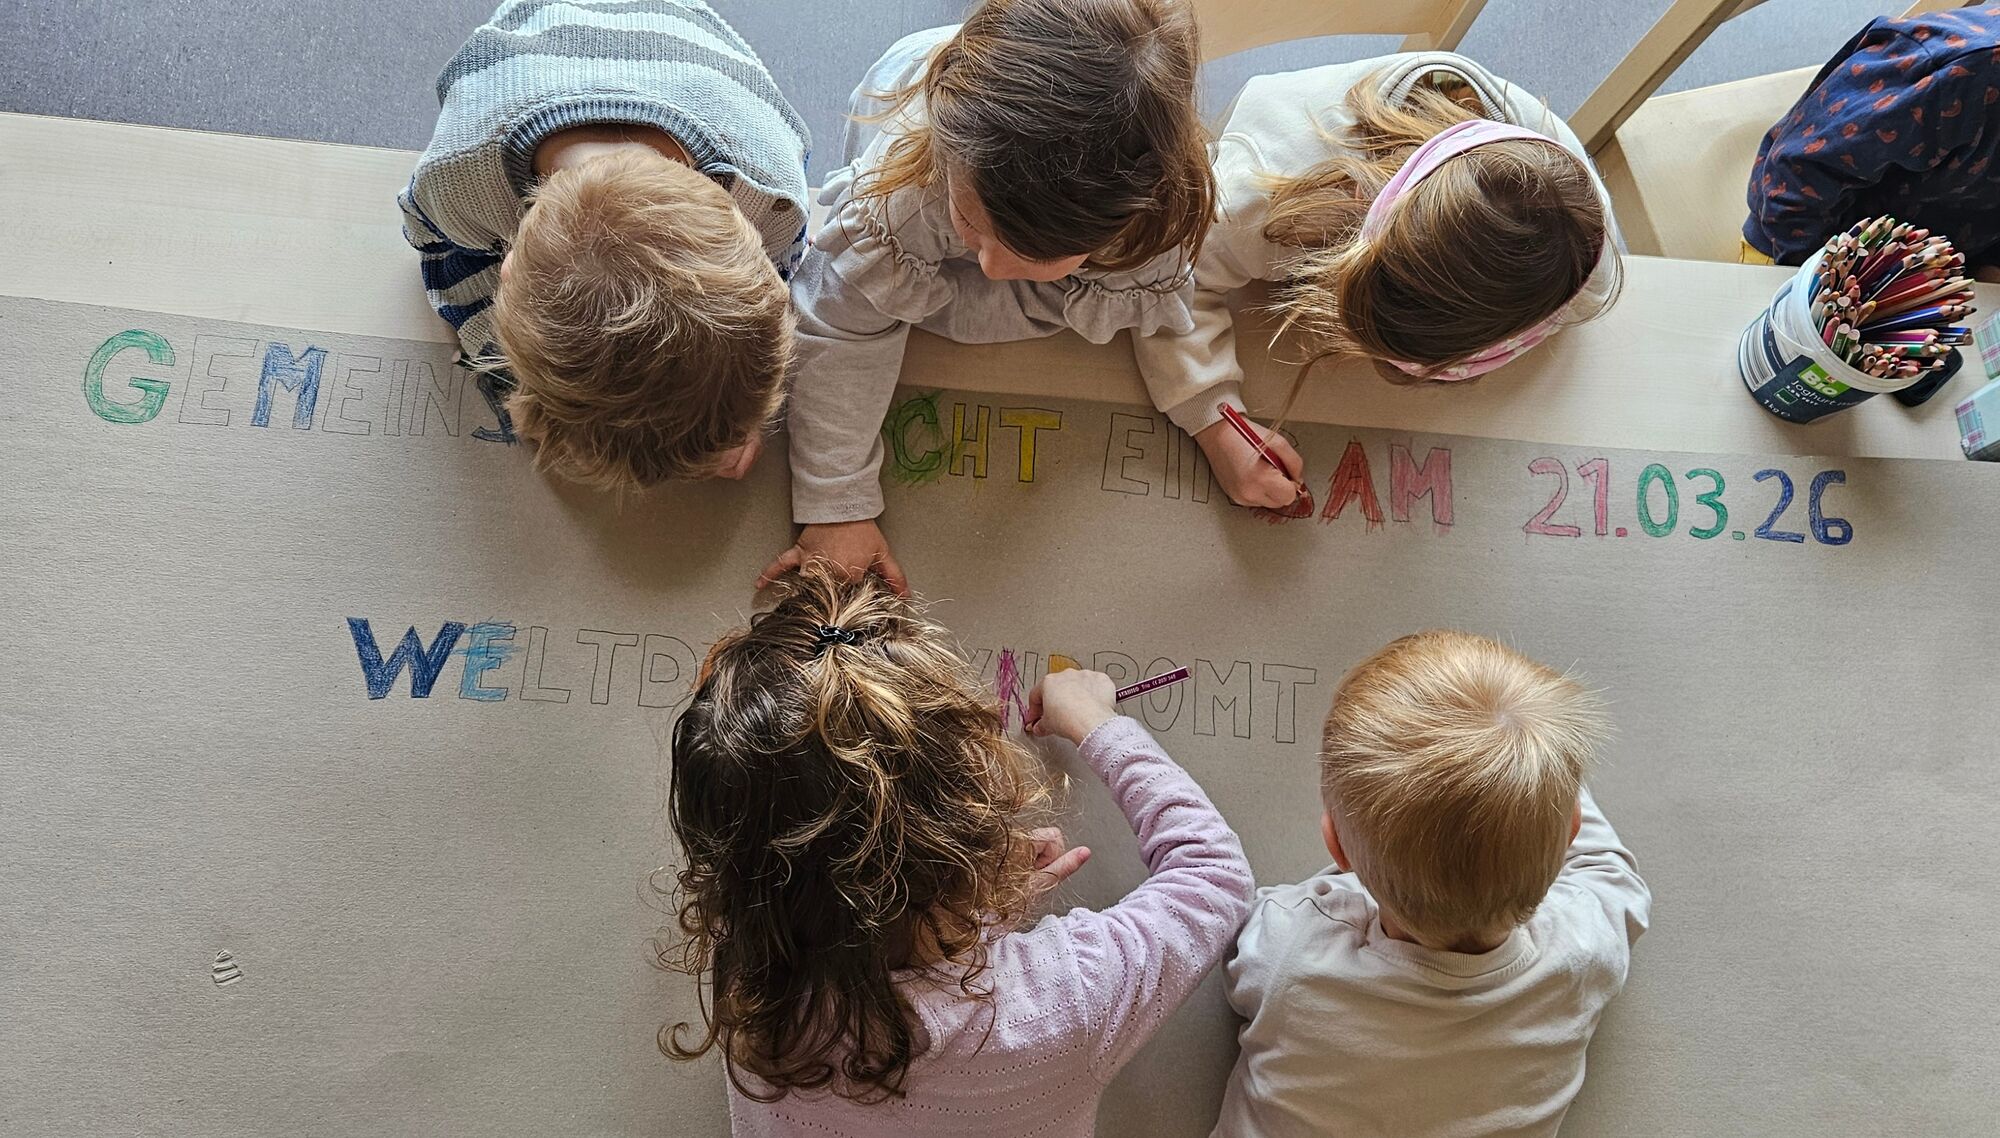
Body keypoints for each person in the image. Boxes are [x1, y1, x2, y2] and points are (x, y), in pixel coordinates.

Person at [664, 563, 1254, 1136]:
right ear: (967, 829)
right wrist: (1100, 724)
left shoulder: (752, 995)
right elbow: (1215, 874)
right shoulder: (1060, 999)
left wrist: (965, 899)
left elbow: (823, 884)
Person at [764, 0, 1232, 595]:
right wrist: (837, 505)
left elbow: (1146, 313)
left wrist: (1212, 414)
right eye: (974, 228)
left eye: (1035, 258)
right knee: (871, 264)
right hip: (917, 117)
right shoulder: (909, 187)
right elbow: (840, 324)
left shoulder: (1155, 221)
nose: (989, 266)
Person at [1213, 630, 1651, 1138]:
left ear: (1336, 848)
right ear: (1570, 828)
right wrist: (1534, 774)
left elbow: (1234, 950)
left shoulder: (1294, 950)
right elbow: (1610, 870)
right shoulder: (1581, 953)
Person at [1138, 53, 1622, 482]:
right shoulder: (1249, 200)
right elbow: (1168, 284)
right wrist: (1215, 422)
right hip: (1245, 187)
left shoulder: (1583, 252)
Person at [398, 0, 809, 487]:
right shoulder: (456, 178)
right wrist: (499, 353)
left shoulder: (775, 200)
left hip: (706, 68)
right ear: (504, 269)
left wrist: (730, 420)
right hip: (534, 38)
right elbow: (430, 238)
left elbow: (772, 291)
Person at [1743, 6, 2000, 271]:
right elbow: (1798, 173)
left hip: (1942, 260)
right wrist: (1817, 280)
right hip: (1812, 255)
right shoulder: (1968, 74)